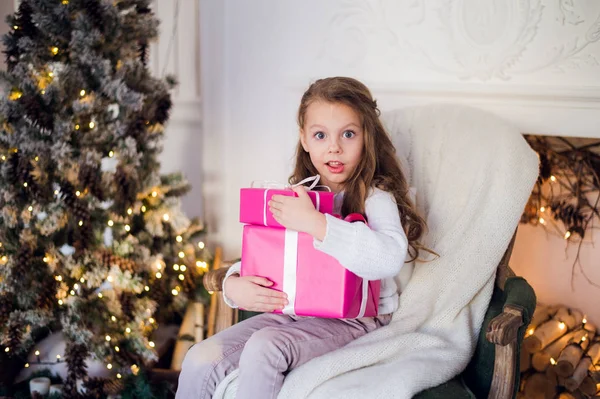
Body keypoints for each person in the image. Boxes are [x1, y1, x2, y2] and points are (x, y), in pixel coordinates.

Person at [176, 77, 430, 399]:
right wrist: (232, 283)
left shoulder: (374, 197)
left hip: (357, 319)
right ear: (305, 140)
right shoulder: (300, 194)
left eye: (348, 134)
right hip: (298, 311)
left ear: (367, 138)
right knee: (200, 357)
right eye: (320, 135)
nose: (334, 147)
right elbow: (270, 256)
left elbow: (389, 257)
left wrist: (317, 223)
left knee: (265, 347)